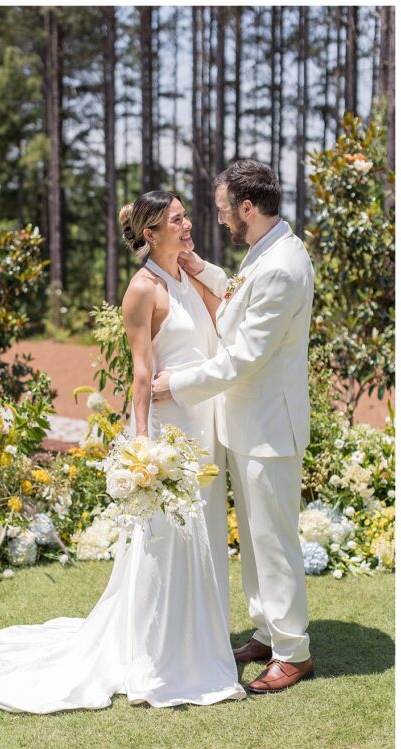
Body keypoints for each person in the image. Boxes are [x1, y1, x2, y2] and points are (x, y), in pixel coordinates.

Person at [0, 190, 245, 713]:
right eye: (177, 220)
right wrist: (141, 448)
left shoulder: (188, 274)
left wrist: (201, 270)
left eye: (185, 217)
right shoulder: (143, 290)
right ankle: (159, 656)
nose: (188, 225)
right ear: (149, 234)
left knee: (201, 532)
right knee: (168, 539)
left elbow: (228, 318)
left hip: (202, 426)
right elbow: (140, 374)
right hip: (170, 432)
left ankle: (201, 642)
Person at [154, 160, 315, 693]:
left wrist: (177, 385)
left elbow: (244, 356)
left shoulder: (283, 265)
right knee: (253, 539)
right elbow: (239, 295)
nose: (219, 219)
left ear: (248, 207)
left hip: (269, 427)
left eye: (224, 210)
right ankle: (267, 633)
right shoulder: (264, 251)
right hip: (248, 424)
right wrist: (201, 268)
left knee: (274, 543)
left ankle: (293, 652)